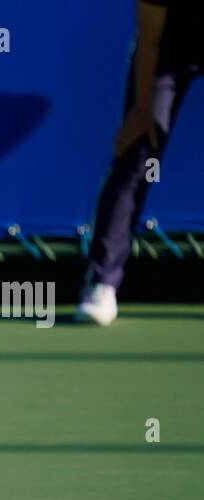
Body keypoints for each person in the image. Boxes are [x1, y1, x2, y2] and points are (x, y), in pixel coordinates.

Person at [78, 0, 201, 325]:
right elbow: (149, 38)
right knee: (137, 153)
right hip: (166, 53)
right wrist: (143, 111)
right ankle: (102, 282)